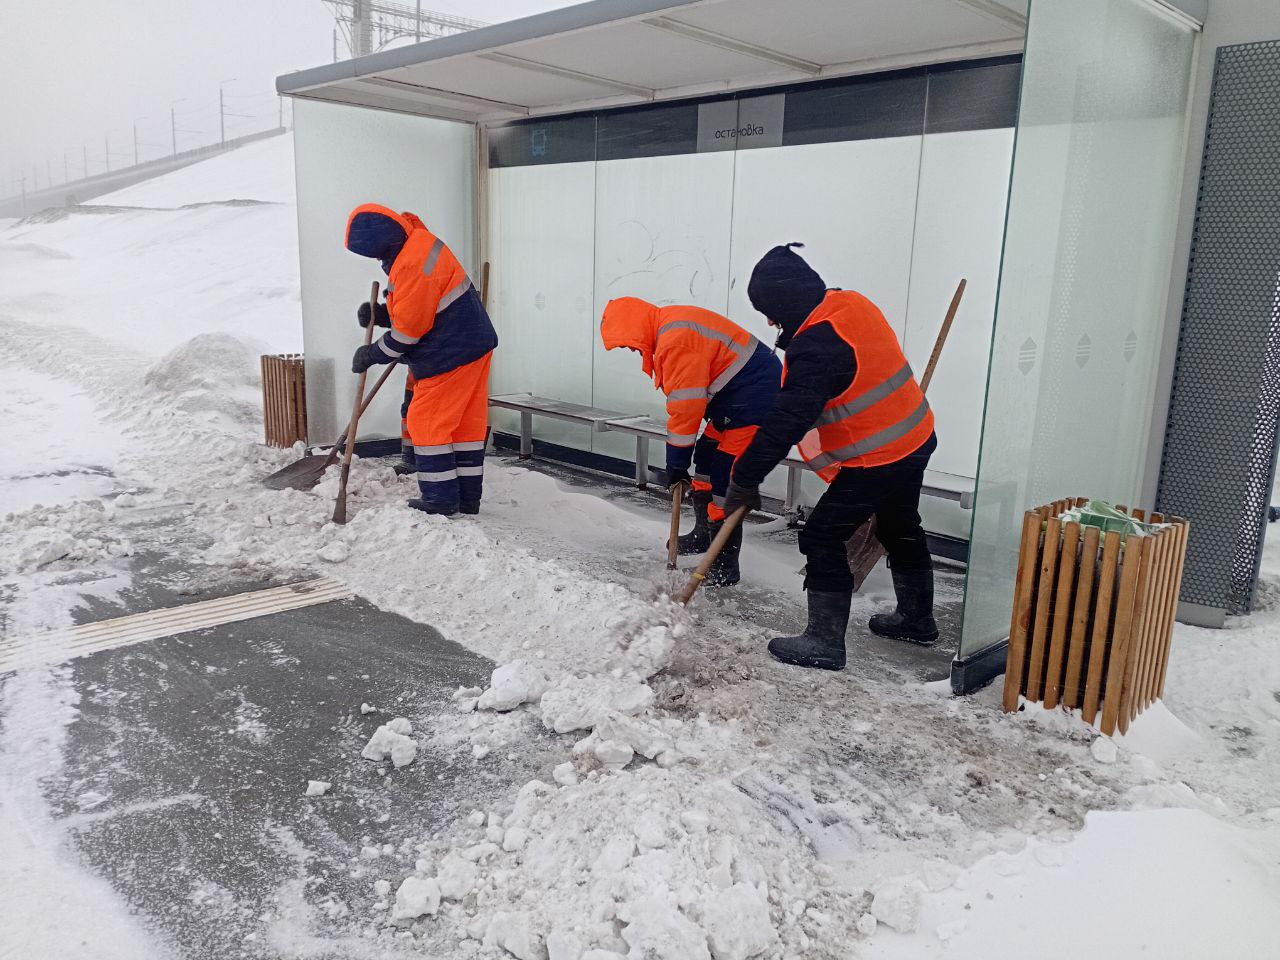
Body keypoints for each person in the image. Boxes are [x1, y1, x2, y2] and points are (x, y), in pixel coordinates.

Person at [722, 244, 938, 670]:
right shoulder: (849, 302)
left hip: (877, 457)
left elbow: (786, 421)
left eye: (772, 311)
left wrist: (744, 479)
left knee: (823, 534)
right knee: (900, 524)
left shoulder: (817, 347)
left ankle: (824, 642)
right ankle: (917, 619)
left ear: (786, 303)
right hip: (915, 436)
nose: (769, 322)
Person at [601, 297, 781, 586]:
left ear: (635, 328)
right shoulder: (667, 327)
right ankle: (703, 534)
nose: (631, 349)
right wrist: (681, 464)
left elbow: (687, 408)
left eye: (628, 343)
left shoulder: (675, 341)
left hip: (755, 400)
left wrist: (676, 465)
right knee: (707, 457)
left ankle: (724, 565)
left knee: (726, 474)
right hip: (734, 400)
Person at [344, 203, 497, 516]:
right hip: (472, 345)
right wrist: (383, 315)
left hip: (451, 354)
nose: (376, 260)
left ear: (383, 246)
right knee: (465, 428)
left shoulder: (411, 266)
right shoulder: (418, 244)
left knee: (425, 423)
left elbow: (407, 335)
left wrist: (370, 354)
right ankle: (467, 499)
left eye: (374, 253)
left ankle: (441, 499)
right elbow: (425, 309)